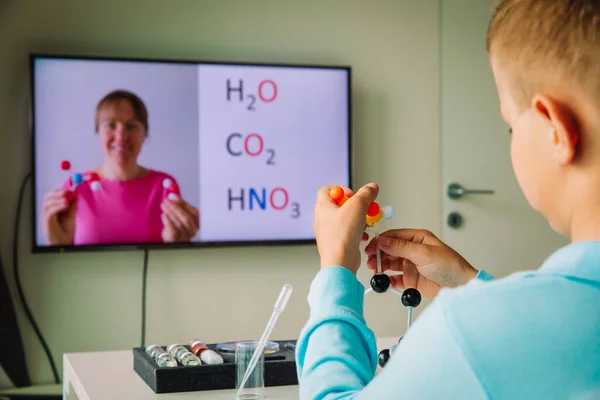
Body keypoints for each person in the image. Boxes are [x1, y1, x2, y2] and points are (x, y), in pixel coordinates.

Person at [296, 0, 600, 398]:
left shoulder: (471, 334)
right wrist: (470, 285)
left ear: (555, 129)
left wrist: (335, 269)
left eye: (510, 125)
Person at [41, 89, 200, 246]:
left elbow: (173, 259)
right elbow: (63, 255)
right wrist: (58, 246)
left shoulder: (164, 186)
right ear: (98, 132)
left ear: (145, 134)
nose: (121, 136)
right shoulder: (75, 187)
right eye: (110, 125)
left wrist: (178, 244)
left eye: (131, 126)